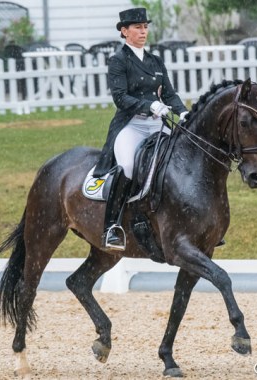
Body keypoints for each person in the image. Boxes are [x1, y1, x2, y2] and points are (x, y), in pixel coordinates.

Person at [94, 7, 189, 251]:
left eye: (145, 26)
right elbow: (120, 98)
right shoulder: (118, 61)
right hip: (131, 125)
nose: (143, 31)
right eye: (137, 27)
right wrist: (149, 105)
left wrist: (184, 112)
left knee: (181, 161)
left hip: (158, 125)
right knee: (127, 166)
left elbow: (169, 93)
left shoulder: (155, 61)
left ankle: (190, 221)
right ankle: (112, 227)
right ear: (125, 32)